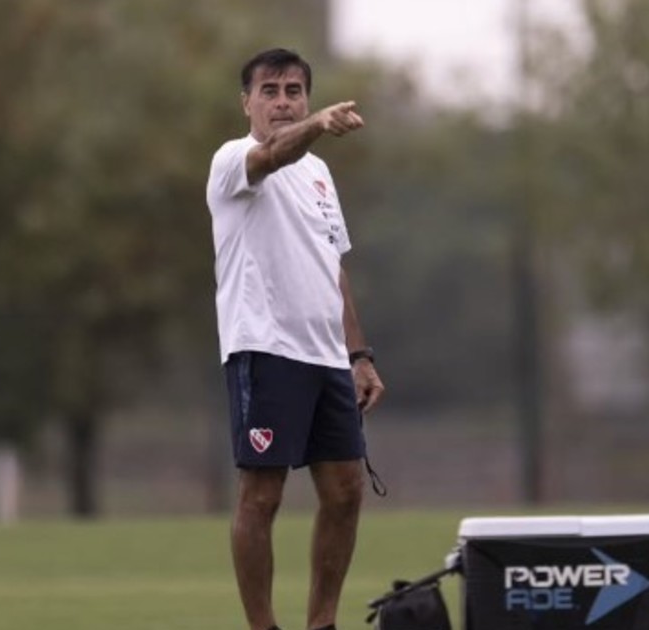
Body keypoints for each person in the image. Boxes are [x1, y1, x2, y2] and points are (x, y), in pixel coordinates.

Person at [205, 47, 384, 630]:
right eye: (270, 91)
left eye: (294, 92)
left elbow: (333, 265)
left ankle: (321, 623)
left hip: (325, 357)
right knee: (262, 496)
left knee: (346, 491)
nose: (283, 102)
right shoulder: (233, 159)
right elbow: (274, 153)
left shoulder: (319, 174)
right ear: (247, 103)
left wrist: (359, 355)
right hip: (265, 350)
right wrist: (318, 125)